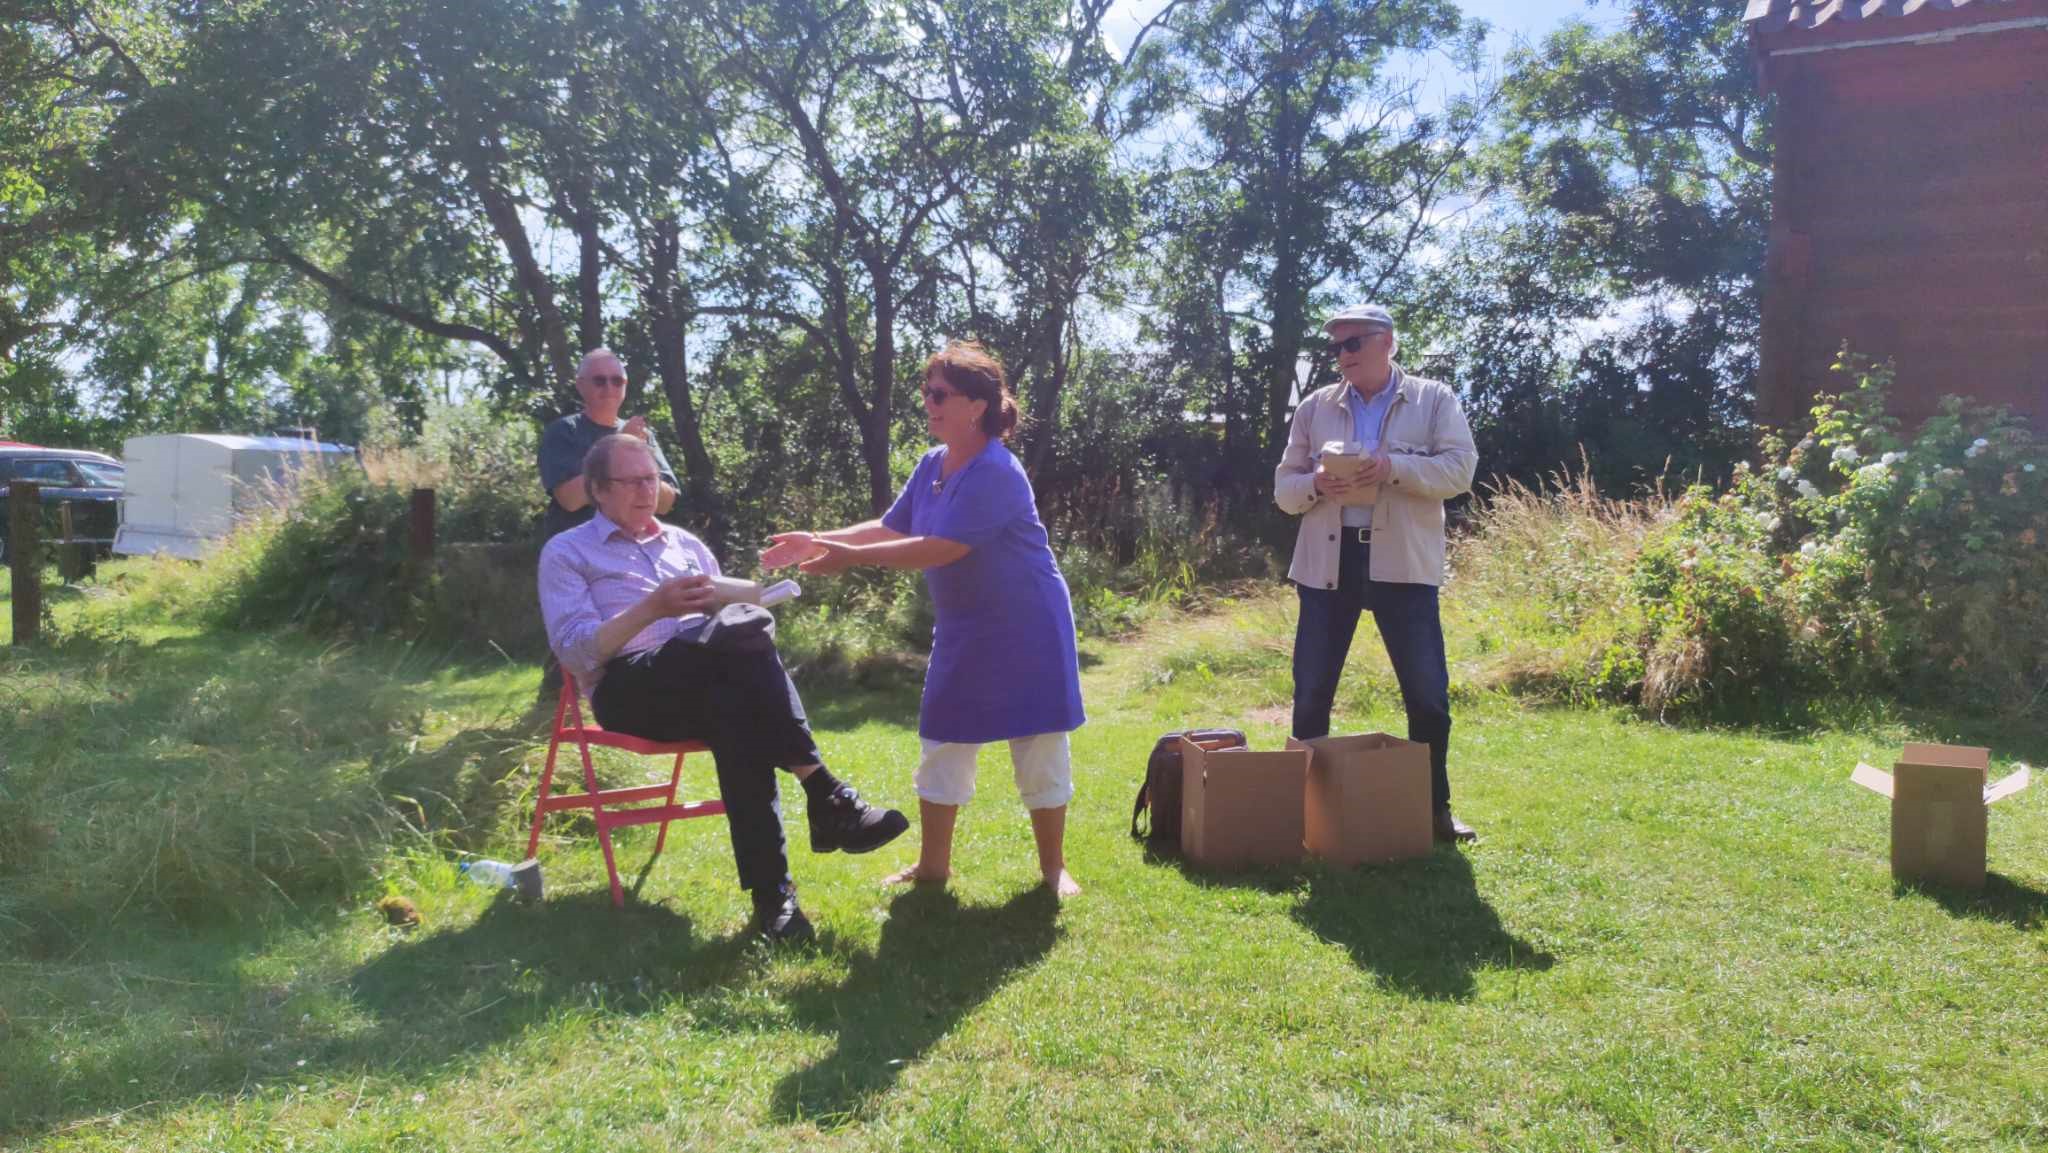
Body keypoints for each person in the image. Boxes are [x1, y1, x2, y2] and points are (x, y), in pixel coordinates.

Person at [538, 434, 909, 941]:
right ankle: (826, 795)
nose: (647, 491)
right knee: (740, 653)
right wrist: (654, 608)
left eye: (652, 479)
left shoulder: (684, 544)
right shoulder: (567, 552)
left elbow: (734, 612)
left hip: (706, 682)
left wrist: (729, 597)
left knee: (736, 698)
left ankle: (774, 901)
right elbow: (576, 652)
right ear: (599, 491)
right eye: (632, 482)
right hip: (630, 688)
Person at [765, 342, 1086, 897]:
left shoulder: (997, 471)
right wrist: (817, 540)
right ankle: (933, 867)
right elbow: (893, 528)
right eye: (926, 392)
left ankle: (1053, 869)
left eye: (939, 394)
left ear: (976, 405)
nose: (928, 403)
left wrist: (848, 557)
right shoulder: (931, 464)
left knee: (1038, 744)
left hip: (1028, 627)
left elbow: (941, 547)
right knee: (943, 738)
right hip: (965, 627)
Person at [1275, 303, 1480, 843]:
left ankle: (1435, 810)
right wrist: (1318, 485)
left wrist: (1393, 468)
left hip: (1403, 563)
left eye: (1352, 344)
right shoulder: (1315, 407)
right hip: (1328, 562)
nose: (1341, 356)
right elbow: (1283, 489)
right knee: (1311, 692)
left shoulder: (1434, 399)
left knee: (1428, 695)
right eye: (1335, 347)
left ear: (1386, 342)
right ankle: (1304, 814)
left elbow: (1460, 471)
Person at [538, 348, 680, 539]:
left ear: (625, 385)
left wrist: (642, 476)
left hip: (635, 549)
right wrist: (620, 444)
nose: (609, 388)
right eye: (599, 381)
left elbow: (665, 503)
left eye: (617, 381)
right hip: (580, 553)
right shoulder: (562, 432)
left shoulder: (643, 436)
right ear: (580, 385)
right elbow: (570, 499)